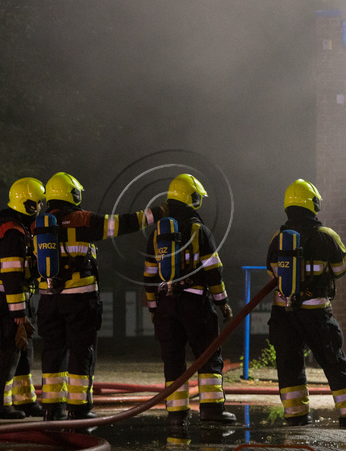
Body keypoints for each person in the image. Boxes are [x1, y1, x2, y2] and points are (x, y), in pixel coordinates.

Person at [35, 171, 168, 422]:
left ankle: (51, 408)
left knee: (52, 352)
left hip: (48, 300)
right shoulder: (81, 219)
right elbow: (122, 223)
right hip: (79, 299)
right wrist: (157, 213)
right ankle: (79, 408)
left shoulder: (38, 225)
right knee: (81, 352)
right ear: (72, 194)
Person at [266, 179, 346, 428]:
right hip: (315, 313)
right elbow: (342, 268)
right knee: (333, 361)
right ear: (313, 204)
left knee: (289, 364)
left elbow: (272, 273)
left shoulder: (277, 239)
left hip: (283, 313)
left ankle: (296, 415)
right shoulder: (326, 236)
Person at [144, 174, 235, 427]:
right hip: (196, 303)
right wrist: (222, 302)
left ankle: (176, 414)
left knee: (172, 359)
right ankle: (212, 410)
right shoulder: (199, 231)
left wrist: (154, 308)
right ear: (191, 198)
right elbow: (213, 271)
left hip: (165, 305)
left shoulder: (156, 234)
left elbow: (149, 276)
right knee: (207, 355)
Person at [0, 177, 45, 420]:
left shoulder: (16, 227)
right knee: (5, 352)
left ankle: (25, 399)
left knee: (22, 350)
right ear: (28, 204)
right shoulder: (12, 232)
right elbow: (11, 275)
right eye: (37, 203)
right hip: (6, 300)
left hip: (15, 298)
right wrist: (19, 315)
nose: (40, 207)